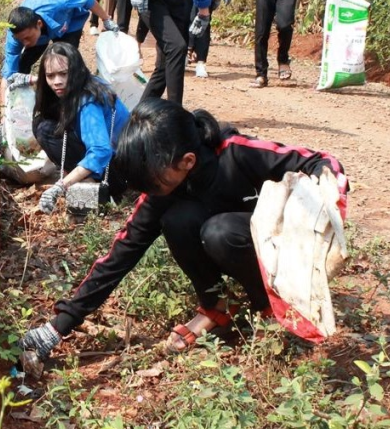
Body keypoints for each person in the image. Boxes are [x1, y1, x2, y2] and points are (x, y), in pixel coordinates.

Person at [19, 98, 348, 359]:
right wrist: (59, 327)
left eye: (155, 181)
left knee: (220, 232)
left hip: (282, 250)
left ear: (187, 161)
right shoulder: (165, 187)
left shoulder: (237, 154)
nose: (152, 190)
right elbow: (121, 254)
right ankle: (217, 307)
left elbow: (322, 162)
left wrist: (326, 199)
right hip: (236, 247)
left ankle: (271, 308)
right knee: (177, 221)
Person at [11, 42, 129, 212]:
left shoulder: (89, 100)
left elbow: (101, 150)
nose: (57, 82)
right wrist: (30, 79)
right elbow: (53, 80)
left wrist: (61, 186)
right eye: (50, 76)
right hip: (117, 162)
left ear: (75, 71)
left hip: (117, 170)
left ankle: (92, 183)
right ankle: (81, 176)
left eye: (63, 74)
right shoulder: (86, 82)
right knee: (42, 122)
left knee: (45, 130)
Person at [0, 0, 119, 105]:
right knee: (22, 65)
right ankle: (21, 101)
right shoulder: (16, 35)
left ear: (39, 24)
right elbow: (8, 76)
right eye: (21, 40)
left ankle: (73, 98)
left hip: (69, 23)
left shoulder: (59, 1)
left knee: (65, 62)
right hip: (40, 35)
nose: (25, 43)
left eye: (27, 38)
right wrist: (4, 115)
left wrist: (105, 19)